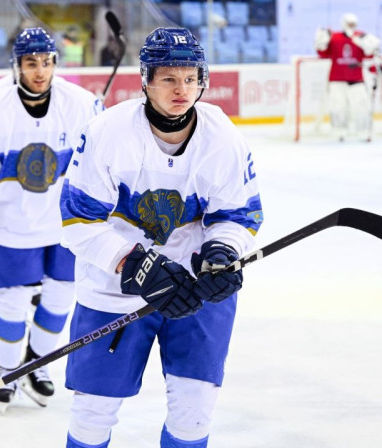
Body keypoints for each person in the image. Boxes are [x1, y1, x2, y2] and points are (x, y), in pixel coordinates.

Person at [60, 27, 264, 447]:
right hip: (113, 290)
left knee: (193, 415)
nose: (181, 90)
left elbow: (238, 214)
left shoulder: (222, 137)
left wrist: (223, 253)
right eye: (169, 78)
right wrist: (132, 262)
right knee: (91, 416)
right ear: (146, 81)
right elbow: (77, 220)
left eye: (191, 78)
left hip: (194, 289)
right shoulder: (108, 133)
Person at [0, 27, 103, 411]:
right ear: (16, 66)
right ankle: (7, 369)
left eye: (47, 62)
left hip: (67, 222)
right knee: (12, 301)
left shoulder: (82, 103)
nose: (40, 71)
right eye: (31, 63)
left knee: (61, 296)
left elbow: (102, 157)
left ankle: (38, 363)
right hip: (14, 219)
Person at [315, 13, 380, 142]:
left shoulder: (361, 37)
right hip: (337, 80)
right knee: (338, 107)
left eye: (353, 24)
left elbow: (370, 56)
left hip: (357, 80)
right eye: (349, 23)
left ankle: (363, 131)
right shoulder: (334, 37)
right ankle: (339, 131)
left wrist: (371, 48)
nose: (351, 26)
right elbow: (323, 54)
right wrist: (320, 43)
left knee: (362, 108)